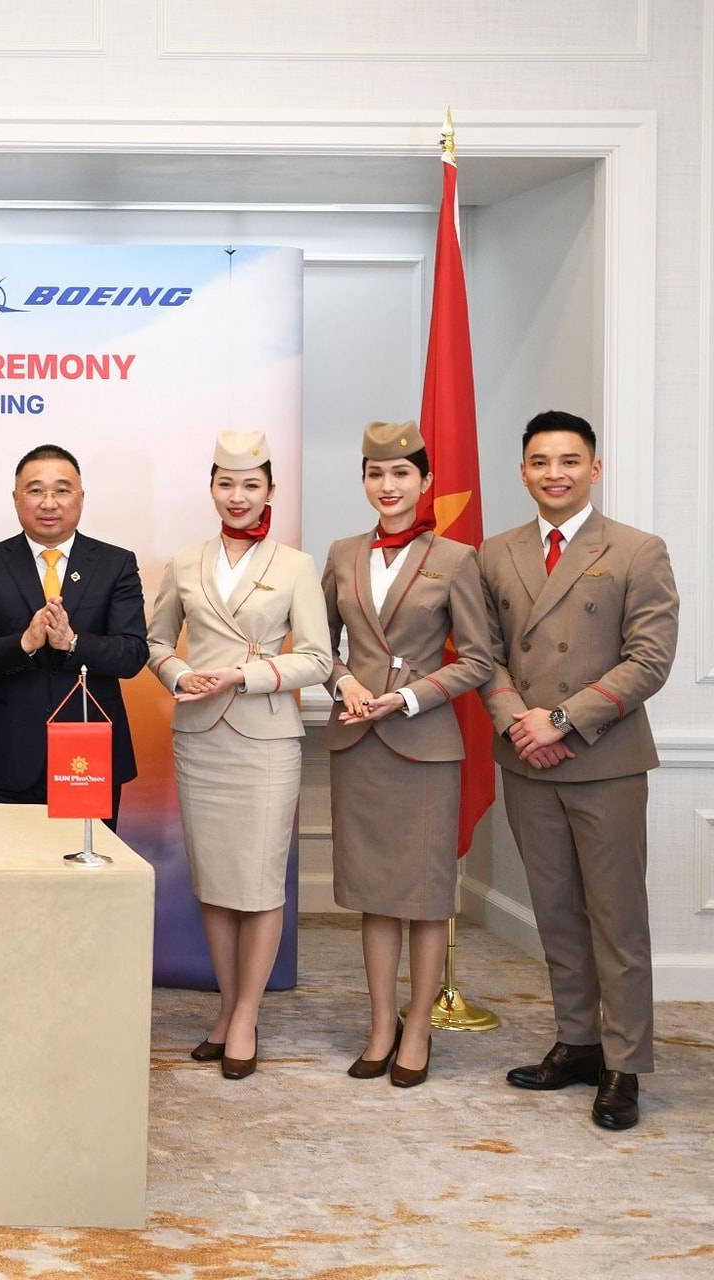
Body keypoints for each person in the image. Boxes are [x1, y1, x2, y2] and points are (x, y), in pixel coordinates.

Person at [479, 410, 677, 1130]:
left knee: (617, 919)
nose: (554, 473)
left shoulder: (637, 549)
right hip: (527, 761)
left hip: (604, 761)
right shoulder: (495, 553)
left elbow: (649, 660)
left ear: (595, 469)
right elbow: (484, 654)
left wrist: (560, 720)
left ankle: (625, 1061)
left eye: (569, 461)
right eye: (540, 461)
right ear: (523, 472)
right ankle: (579, 1042)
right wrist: (519, 722)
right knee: (556, 913)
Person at [146, 430, 331, 1080]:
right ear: (212, 487)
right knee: (216, 880)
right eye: (226, 483)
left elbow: (318, 659)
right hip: (200, 737)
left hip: (265, 738)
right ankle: (228, 1008)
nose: (238, 495)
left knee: (258, 881)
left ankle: (247, 1015)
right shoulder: (185, 561)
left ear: (270, 490)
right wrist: (178, 675)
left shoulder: (295, 565)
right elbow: (156, 641)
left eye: (251, 484)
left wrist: (243, 676)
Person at [321, 420, 493, 1089]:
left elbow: (477, 660)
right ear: (364, 480)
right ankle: (380, 1025)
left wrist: (408, 697)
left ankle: (418, 1027)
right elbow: (320, 648)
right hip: (357, 739)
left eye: (400, 474)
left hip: (423, 745)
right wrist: (345, 682)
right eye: (375, 473)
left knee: (424, 895)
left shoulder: (456, 558)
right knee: (375, 894)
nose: (387, 485)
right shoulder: (342, 553)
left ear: (425, 481)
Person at [0, 444, 147, 823]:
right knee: (9, 859)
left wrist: (73, 643)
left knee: (88, 860)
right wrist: (24, 644)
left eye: (61, 490)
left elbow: (132, 654)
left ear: (80, 497)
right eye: (36, 490)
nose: (49, 502)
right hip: (9, 755)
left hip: (88, 758)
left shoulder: (116, 563)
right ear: (16, 498)